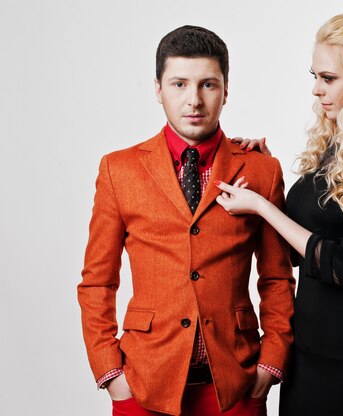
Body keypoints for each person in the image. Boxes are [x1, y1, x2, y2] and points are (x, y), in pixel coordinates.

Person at [215, 12, 343, 416]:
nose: (315, 90)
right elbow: (296, 253)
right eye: (314, 76)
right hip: (307, 349)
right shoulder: (332, 148)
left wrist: (262, 207)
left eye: (328, 78)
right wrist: (267, 174)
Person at [77, 25, 295, 416]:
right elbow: (97, 280)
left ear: (226, 91)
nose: (193, 100)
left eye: (208, 84)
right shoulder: (118, 170)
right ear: (158, 89)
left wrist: (271, 360)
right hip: (144, 382)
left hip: (236, 383)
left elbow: (277, 277)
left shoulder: (263, 171)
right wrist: (110, 373)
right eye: (179, 84)